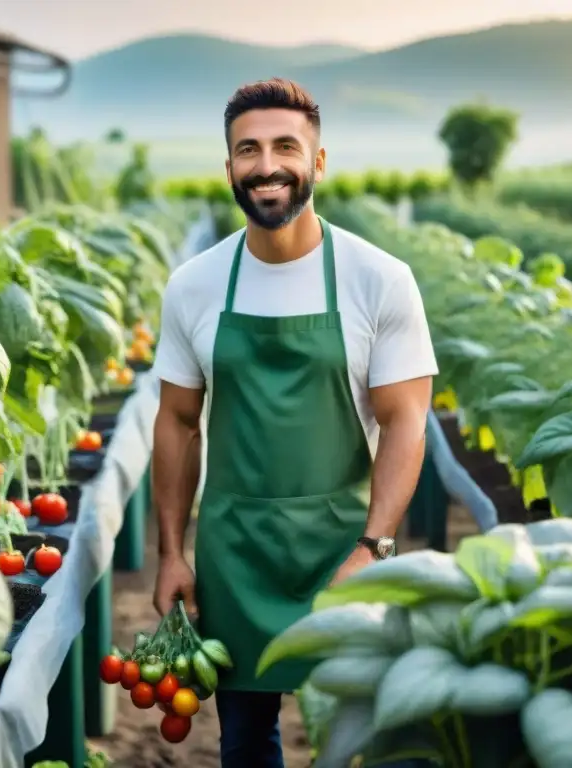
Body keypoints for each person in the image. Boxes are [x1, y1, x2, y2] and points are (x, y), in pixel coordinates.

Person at [150, 77, 438, 767]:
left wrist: (375, 549)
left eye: (286, 146)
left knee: (357, 734)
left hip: (344, 544)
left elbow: (407, 423)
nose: (267, 165)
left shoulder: (379, 279)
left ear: (318, 162)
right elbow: (177, 423)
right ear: (229, 169)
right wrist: (169, 551)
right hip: (236, 552)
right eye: (248, 149)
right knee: (246, 739)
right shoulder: (195, 283)